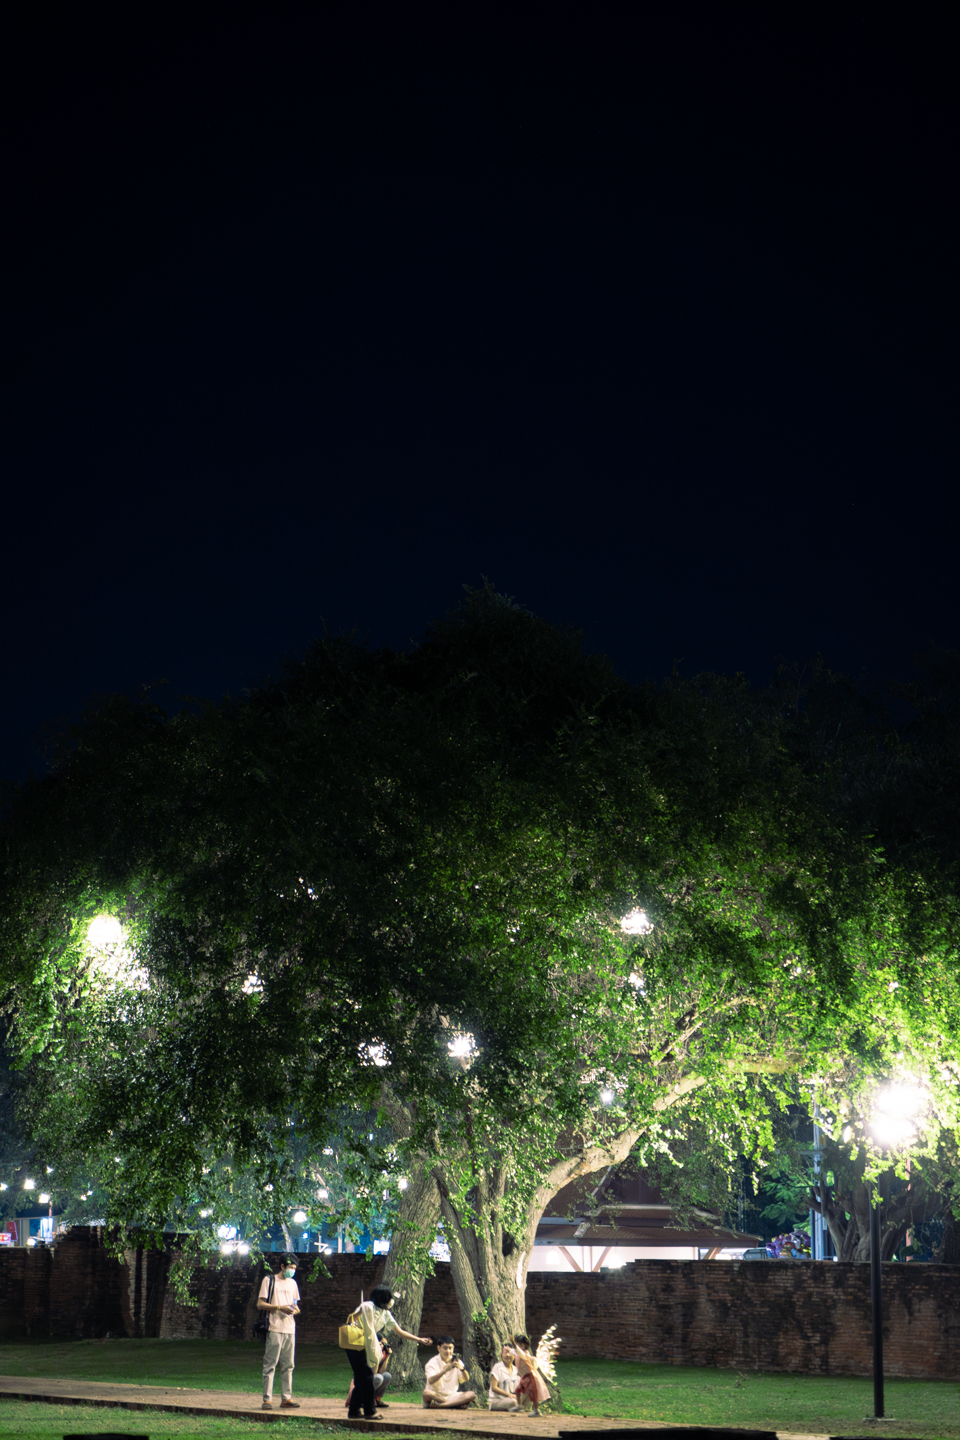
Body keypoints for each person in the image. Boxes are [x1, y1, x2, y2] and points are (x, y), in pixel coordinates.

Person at [347, 1284, 431, 1420]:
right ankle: (369, 1412)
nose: (392, 1300)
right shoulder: (367, 1307)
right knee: (367, 1378)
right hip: (356, 1346)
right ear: (383, 1299)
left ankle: (354, 1410)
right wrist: (358, 1313)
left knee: (364, 1379)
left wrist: (419, 1339)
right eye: (389, 1298)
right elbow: (353, 1319)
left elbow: (399, 1331)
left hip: (369, 1347)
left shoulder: (385, 1314)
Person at [257, 1254, 301, 1411]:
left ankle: (286, 1398)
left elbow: (296, 1305)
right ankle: (267, 1399)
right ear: (282, 1266)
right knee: (270, 1364)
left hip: (290, 1328)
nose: (292, 1271)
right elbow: (260, 1303)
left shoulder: (293, 1284)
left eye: (294, 1269)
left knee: (288, 1365)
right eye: (290, 1268)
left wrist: (294, 1310)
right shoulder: (269, 1281)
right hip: (275, 1327)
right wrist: (278, 1307)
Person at [423, 1337, 477, 1409]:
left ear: (453, 1348)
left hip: (452, 1396)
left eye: (450, 1348)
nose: (448, 1351)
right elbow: (430, 1381)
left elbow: (466, 1379)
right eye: (445, 1348)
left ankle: (442, 1405)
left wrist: (462, 1369)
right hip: (437, 1396)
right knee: (426, 1393)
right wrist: (444, 1371)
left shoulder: (457, 1361)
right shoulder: (432, 1362)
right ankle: (455, 1404)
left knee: (472, 1395)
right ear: (439, 1348)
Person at [511, 1334, 550, 1416]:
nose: (519, 1346)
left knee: (532, 1394)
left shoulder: (524, 1354)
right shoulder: (519, 1353)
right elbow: (514, 1351)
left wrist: (513, 1343)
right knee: (518, 1391)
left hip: (529, 1377)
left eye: (521, 1345)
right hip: (524, 1376)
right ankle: (519, 1406)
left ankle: (537, 1411)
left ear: (525, 1346)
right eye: (518, 1344)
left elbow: (518, 1351)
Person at [488, 1342, 521, 1411]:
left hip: (513, 1398)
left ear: (514, 1355)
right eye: (505, 1352)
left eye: (509, 1352)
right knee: (513, 1402)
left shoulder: (516, 1370)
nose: (507, 1355)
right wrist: (508, 1395)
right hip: (498, 1401)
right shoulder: (497, 1367)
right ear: (502, 1354)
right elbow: (494, 1388)